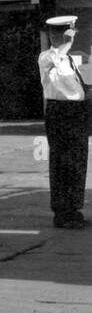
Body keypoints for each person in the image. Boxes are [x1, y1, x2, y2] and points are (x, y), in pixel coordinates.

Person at [37, 15, 89, 229]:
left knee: (78, 162)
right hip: (60, 113)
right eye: (70, 33)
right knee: (62, 162)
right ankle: (62, 212)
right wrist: (65, 44)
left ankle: (74, 209)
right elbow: (53, 60)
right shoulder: (47, 57)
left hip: (76, 112)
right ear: (56, 35)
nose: (73, 37)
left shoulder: (67, 60)